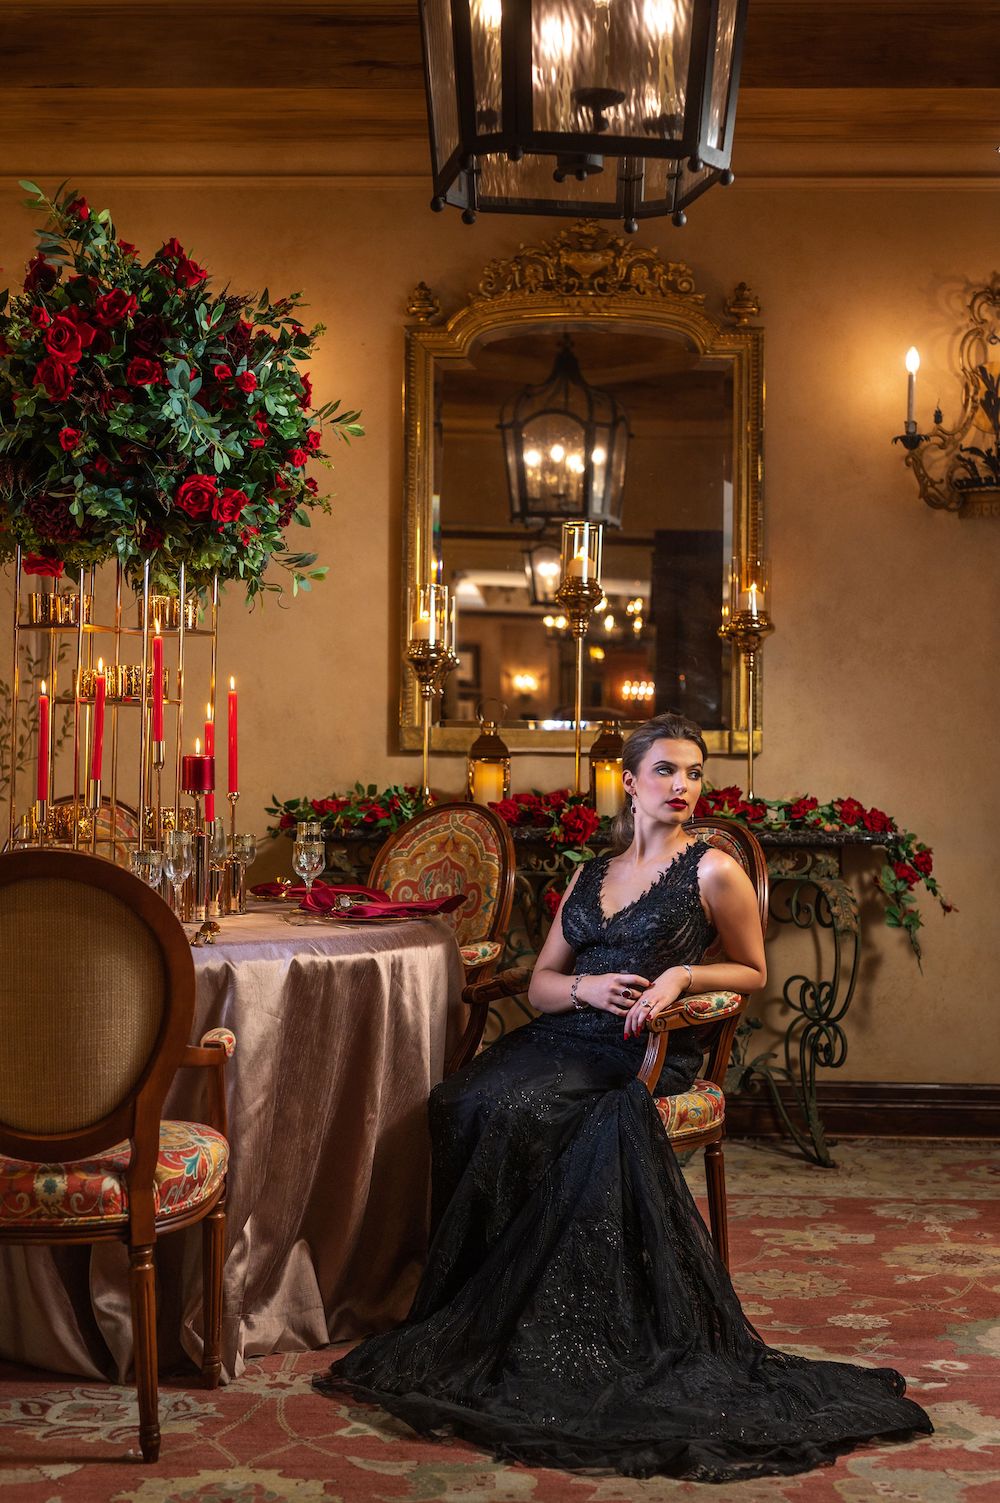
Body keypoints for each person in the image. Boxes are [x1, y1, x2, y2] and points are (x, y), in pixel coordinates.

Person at [317, 712, 931, 1481]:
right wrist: (586, 984)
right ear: (631, 783)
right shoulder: (588, 874)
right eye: (667, 771)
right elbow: (541, 985)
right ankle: (475, 1304)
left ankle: (553, 1317)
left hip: (643, 1053)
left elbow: (752, 971)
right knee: (460, 1102)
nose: (683, 786)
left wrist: (680, 975)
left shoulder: (712, 869)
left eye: (694, 772)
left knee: (546, 1114)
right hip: (563, 1035)